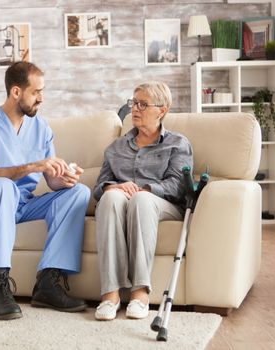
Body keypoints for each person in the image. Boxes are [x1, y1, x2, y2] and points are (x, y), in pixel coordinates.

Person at [0, 61, 90, 320]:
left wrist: (64, 178)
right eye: (36, 92)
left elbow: (50, 180)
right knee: (1, 185)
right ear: (16, 92)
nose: (41, 99)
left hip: (22, 205)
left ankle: (48, 283)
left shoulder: (41, 127)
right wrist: (33, 165)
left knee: (80, 193)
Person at [92, 81, 193, 321]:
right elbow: (98, 187)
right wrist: (115, 187)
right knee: (109, 198)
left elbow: (178, 186)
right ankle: (110, 295)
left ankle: (139, 294)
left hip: (161, 205)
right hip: (125, 201)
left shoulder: (177, 143)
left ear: (162, 110)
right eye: (133, 103)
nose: (134, 109)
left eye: (142, 104)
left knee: (142, 200)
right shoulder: (115, 148)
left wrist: (144, 189)